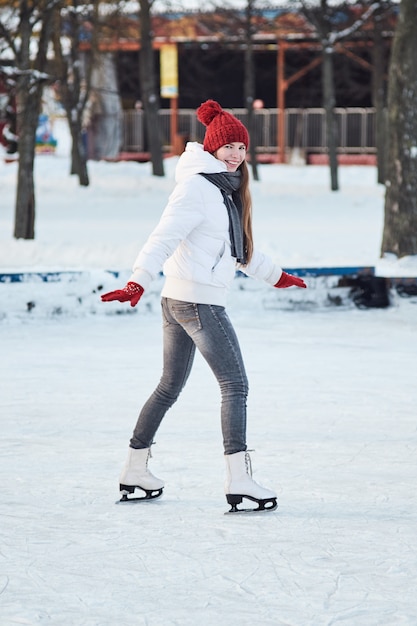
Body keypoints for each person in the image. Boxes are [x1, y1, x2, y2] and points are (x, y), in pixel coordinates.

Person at [101, 99, 306, 512]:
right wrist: (138, 279)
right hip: (198, 302)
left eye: (242, 148)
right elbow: (162, 236)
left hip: (180, 299)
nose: (235, 155)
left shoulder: (223, 189)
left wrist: (275, 275)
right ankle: (240, 479)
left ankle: (135, 469)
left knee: (169, 386)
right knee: (236, 385)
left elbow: (238, 250)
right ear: (212, 147)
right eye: (228, 146)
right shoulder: (197, 186)